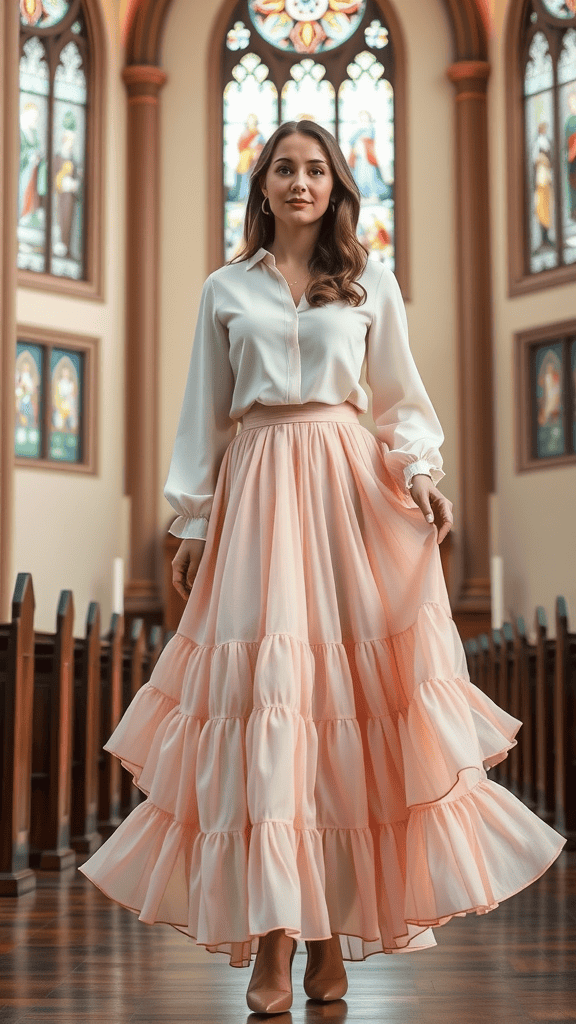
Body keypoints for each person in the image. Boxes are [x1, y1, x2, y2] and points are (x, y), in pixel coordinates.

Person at [78, 121, 567, 1015]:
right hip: (258, 495)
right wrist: (191, 520)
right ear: (260, 186)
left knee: (343, 708)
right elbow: (204, 415)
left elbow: (399, 399)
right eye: (283, 169)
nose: (300, 182)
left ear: (337, 186)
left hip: (347, 496)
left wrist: (419, 475)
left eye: (316, 169)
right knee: (272, 709)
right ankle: (273, 942)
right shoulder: (223, 289)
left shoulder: (368, 280)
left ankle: (330, 936)